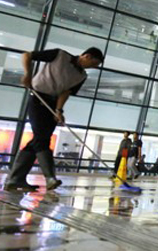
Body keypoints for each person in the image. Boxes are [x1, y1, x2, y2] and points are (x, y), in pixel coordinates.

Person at [4, 47, 103, 191]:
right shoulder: (59, 55)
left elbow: (66, 92)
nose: (93, 67)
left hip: (52, 103)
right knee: (42, 138)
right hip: (38, 98)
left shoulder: (82, 76)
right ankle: (50, 178)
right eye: (94, 64)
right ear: (87, 56)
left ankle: (15, 179)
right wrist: (28, 75)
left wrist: (59, 110)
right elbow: (27, 55)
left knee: (39, 140)